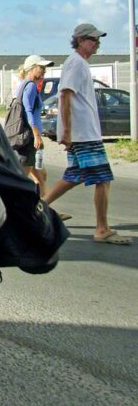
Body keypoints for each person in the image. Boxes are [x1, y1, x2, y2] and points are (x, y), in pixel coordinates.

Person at [42, 23, 131, 245]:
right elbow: (64, 96)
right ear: (80, 40)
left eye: (98, 39)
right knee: (103, 179)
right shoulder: (76, 64)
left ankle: (37, 208)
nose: (97, 43)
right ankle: (102, 229)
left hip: (82, 133)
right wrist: (68, 131)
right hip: (83, 135)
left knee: (75, 175)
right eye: (93, 39)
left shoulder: (78, 63)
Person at [14, 54, 54, 195]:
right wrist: (37, 135)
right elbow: (28, 111)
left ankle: (43, 208)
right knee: (22, 178)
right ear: (32, 68)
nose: (44, 71)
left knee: (41, 176)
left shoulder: (23, 85)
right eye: (41, 67)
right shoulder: (29, 86)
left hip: (29, 137)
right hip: (29, 138)